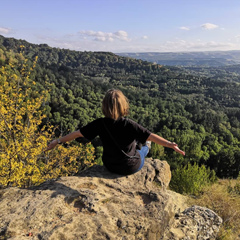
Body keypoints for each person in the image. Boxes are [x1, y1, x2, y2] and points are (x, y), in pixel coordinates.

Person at [47, 89, 185, 175]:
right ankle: (144, 147)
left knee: (138, 141)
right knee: (145, 144)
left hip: (110, 166)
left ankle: (139, 145)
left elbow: (76, 134)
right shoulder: (129, 124)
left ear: (104, 106)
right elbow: (151, 136)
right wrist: (169, 144)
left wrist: (57, 141)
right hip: (130, 167)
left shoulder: (99, 124)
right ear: (123, 105)